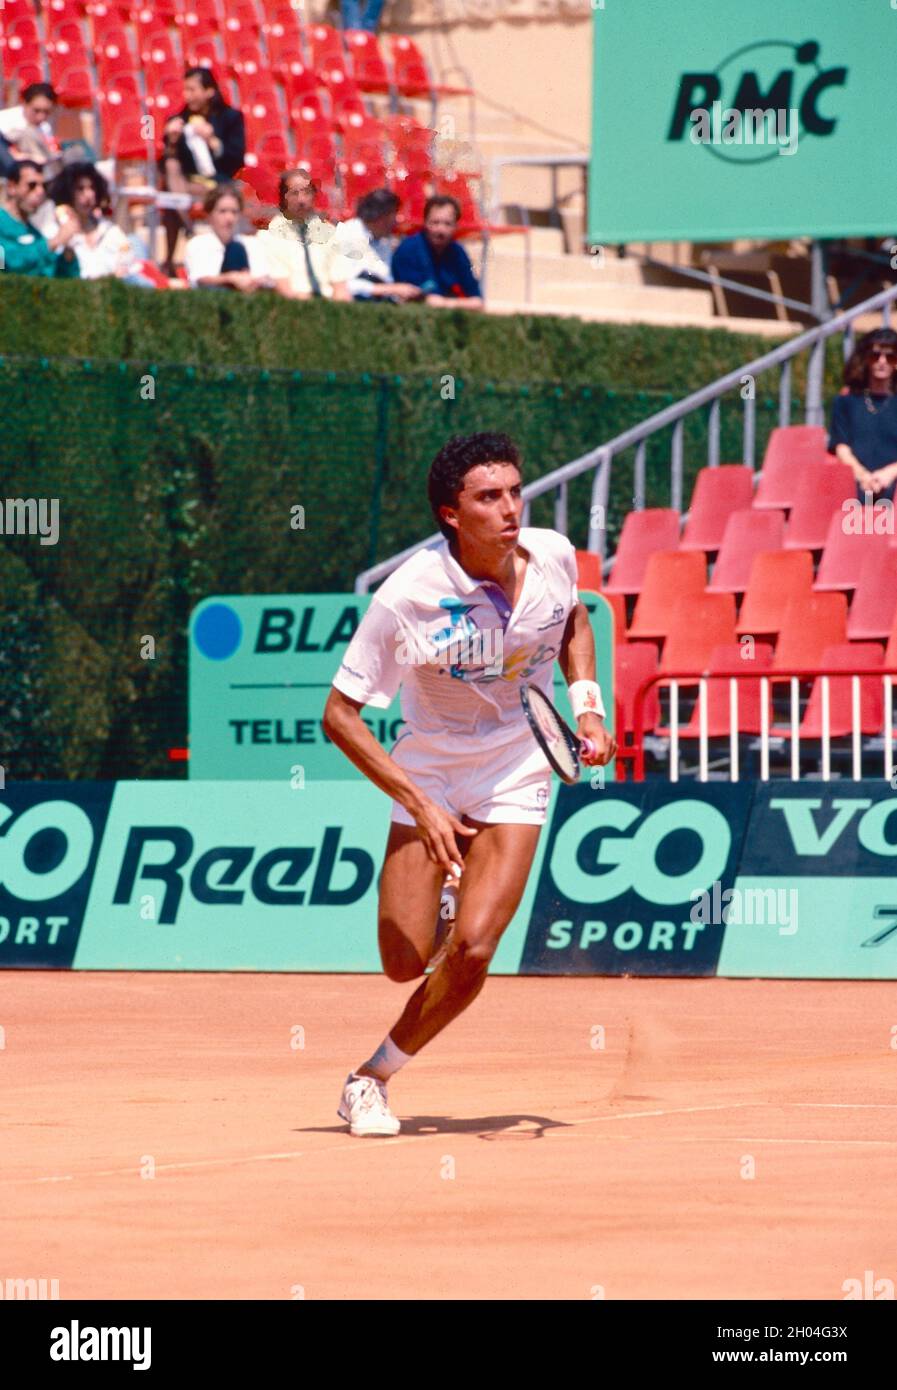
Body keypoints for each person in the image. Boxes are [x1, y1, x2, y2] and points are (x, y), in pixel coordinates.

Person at [322, 432, 616, 1136]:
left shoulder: (550, 554)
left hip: (518, 759)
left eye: (515, 491)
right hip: (430, 766)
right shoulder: (407, 598)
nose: (510, 508)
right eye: (489, 497)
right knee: (403, 960)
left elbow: (572, 618)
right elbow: (339, 716)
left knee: (477, 948)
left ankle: (371, 1079)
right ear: (452, 514)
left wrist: (588, 708)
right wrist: (419, 802)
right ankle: (441, 908)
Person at [158, 67, 246, 275]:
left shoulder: (231, 117)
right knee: (171, 177)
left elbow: (236, 159)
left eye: (192, 90)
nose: (187, 96)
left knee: (172, 199)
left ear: (209, 91)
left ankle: (185, 240)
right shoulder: (180, 118)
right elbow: (167, 164)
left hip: (219, 182)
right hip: (188, 183)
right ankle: (182, 238)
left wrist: (213, 141)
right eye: (185, 90)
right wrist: (171, 142)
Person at [46, 162, 155, 286]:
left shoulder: (110, 231)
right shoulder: (54, 231)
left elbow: (129, 266)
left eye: (92, 188)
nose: (89, 195)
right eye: (80, 189)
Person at [255, 168, 351, 301]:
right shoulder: (270, 236)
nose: (301, 200)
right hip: (292, 307)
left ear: (314, 196)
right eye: (294, 193)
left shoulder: (330, 233)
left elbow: (340, 286)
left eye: (306, 192)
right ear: (283, 197)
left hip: (328, 305)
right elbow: (283, 287)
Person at [829, 327, 897, 502]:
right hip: (855, 482)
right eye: (875, 355)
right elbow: (841, 448)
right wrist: (863, 476)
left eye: (890, 357)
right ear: (865, 359)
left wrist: (888, 474)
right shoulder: (845, 402)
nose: (882, 361)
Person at [391, 194, 483, 310]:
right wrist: (456, 303)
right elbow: (414, 301)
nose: (440, 230)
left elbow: (477, 300)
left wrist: (444, 303)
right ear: (425, 223)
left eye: (447, 224)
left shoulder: (457, 252)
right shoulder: (408, 250)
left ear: (456, 226)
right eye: (435, 223)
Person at [333, 187, 423, 303]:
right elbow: (344, 285)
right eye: (393, 214)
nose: (396, 221)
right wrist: (391, 289)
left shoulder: (384, 241)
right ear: (380, 215)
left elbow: (387, 279)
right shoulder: (348, 233)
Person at [185, 183, 273, 291]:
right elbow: (199, 279)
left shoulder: (252, 244)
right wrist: (231, 278)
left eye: (234, 212)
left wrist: (254, 281)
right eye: (222, 211)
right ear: (209, 215)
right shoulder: (198, 244)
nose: (229, 218)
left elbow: (265, 276)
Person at [0, 160, 79, 277]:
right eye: (32, 185)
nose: (40, 192)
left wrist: (68, 254)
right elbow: (9, 262)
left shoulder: (35, 233)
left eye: (43, 186)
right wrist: (55, 241)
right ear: (12, 187)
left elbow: (53, 278)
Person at [0, 84, 62, 175]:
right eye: (36, 110)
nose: (41, 117)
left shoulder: (45, 127)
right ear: (24, 103)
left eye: (46, 112)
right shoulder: (4, 120)